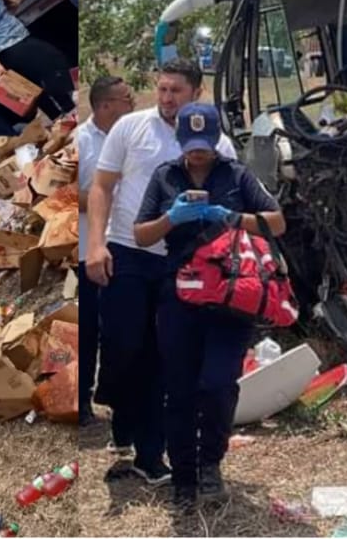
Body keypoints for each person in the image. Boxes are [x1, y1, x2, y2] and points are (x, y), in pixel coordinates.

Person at [86, 59, 235, 486]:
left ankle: (151, 455)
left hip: (181, 262)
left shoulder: (217, 143)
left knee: (165, 355)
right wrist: (95, 244)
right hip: (126, 253)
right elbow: (102, 187)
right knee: (124, 347)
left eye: (177, 92)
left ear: (197, 93)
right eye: (163, 90)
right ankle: (123, 432)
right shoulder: (131, 128)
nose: (167, 99)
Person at [134, 102, 284, 509]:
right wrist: (172, 218)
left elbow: (277, 222)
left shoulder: (236, 175)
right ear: (180, 140)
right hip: (178, 295)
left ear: (217, 140)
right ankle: (184, 477)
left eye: (204, 144)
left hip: (229, 297)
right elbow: (142, 235)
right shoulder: (165, 176)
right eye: (190, 144)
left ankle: (210, 464)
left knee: (218, 385)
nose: (197, 153)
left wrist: (232, 216)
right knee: (179, 390)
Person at [76, 75, 135, 429]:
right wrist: (106, 197)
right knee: (88, 333)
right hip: (88, 251)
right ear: (104, 106)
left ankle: (120, 400)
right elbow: (71, 195)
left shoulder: (131, 136)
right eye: (126, 99)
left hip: (125, 247)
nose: (132, 103)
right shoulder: (82, 142)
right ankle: (82, 401)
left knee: (123, 329)